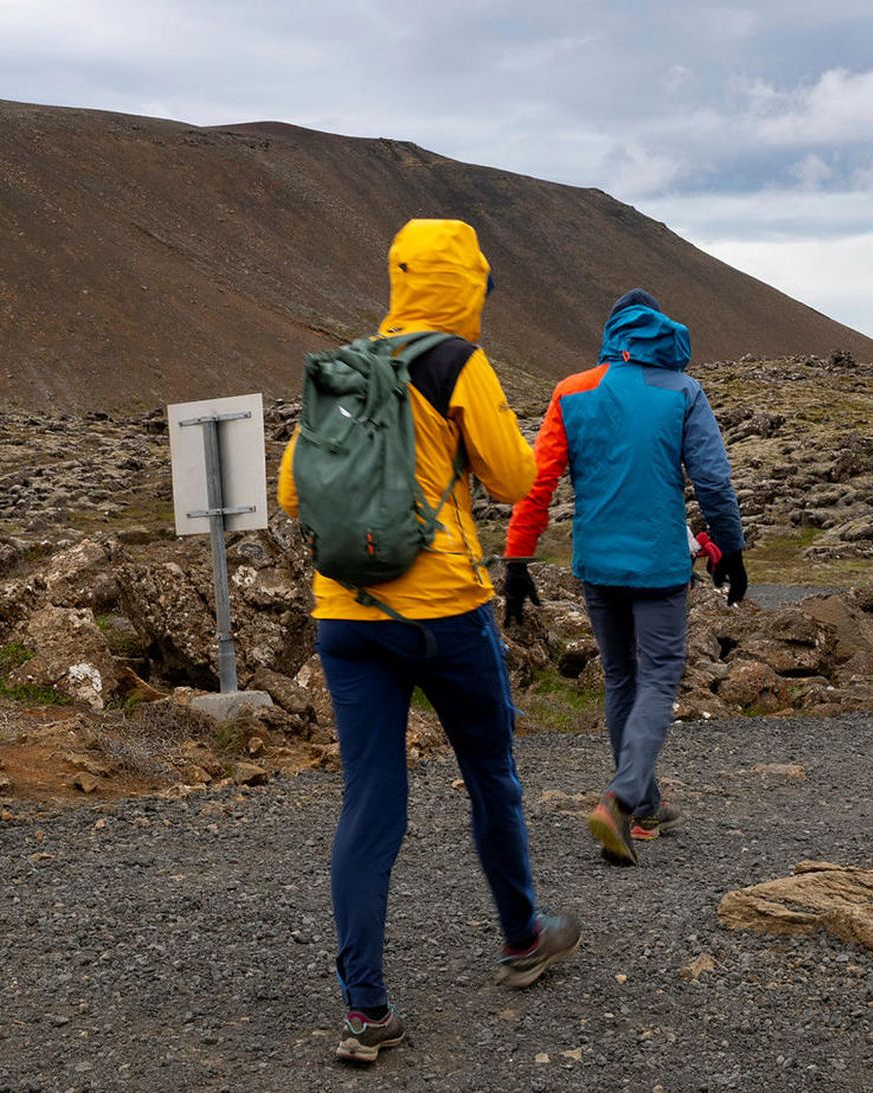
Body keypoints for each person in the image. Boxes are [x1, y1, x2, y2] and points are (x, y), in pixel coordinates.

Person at [277, 219, 580, 1065]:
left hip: (345, 613)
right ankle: (522, 937)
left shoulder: (343, 364)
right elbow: (516, 477)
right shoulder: (456, 364)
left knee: (371, 802)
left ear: (399, 277)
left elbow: (293, 493)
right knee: (491, 775)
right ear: (471, 285)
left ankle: (365, 1008)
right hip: (444, 608)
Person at [502, 288, 747, 865]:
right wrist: (730, 549)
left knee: (619, 679)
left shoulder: (572, 390)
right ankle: (620, 797)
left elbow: (538, 482)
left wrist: (518, 557)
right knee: (658, 678)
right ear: (660, 331)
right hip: (660, 564)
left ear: (613, 334)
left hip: (598, 565)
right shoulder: (683, 391)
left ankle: (645, 805)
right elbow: (711, 480)